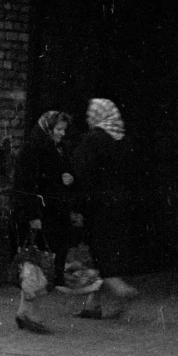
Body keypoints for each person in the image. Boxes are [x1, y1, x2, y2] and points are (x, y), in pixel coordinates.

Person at [71, 98, 140, 320]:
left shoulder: (92, 140)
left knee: (98, 251)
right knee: (111, 248)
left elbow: (80, 175)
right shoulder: (125, 141)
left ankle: (121, 289)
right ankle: (93, 304)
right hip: (122, 202)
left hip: (97, 203)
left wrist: (76, 206)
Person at [12, 110, 77, 334]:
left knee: (38, 264)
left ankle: (24, 311)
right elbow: (26, 183)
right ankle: (29, 312)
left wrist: (67, 177)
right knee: (36, 264)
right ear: (48, 128)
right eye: (58, 129)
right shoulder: (34, 148)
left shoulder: (56, 148)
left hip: (50, 213)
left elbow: (53, 176)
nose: (61, 133)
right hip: (38, 214)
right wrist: (33, 216)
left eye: (63, 130)